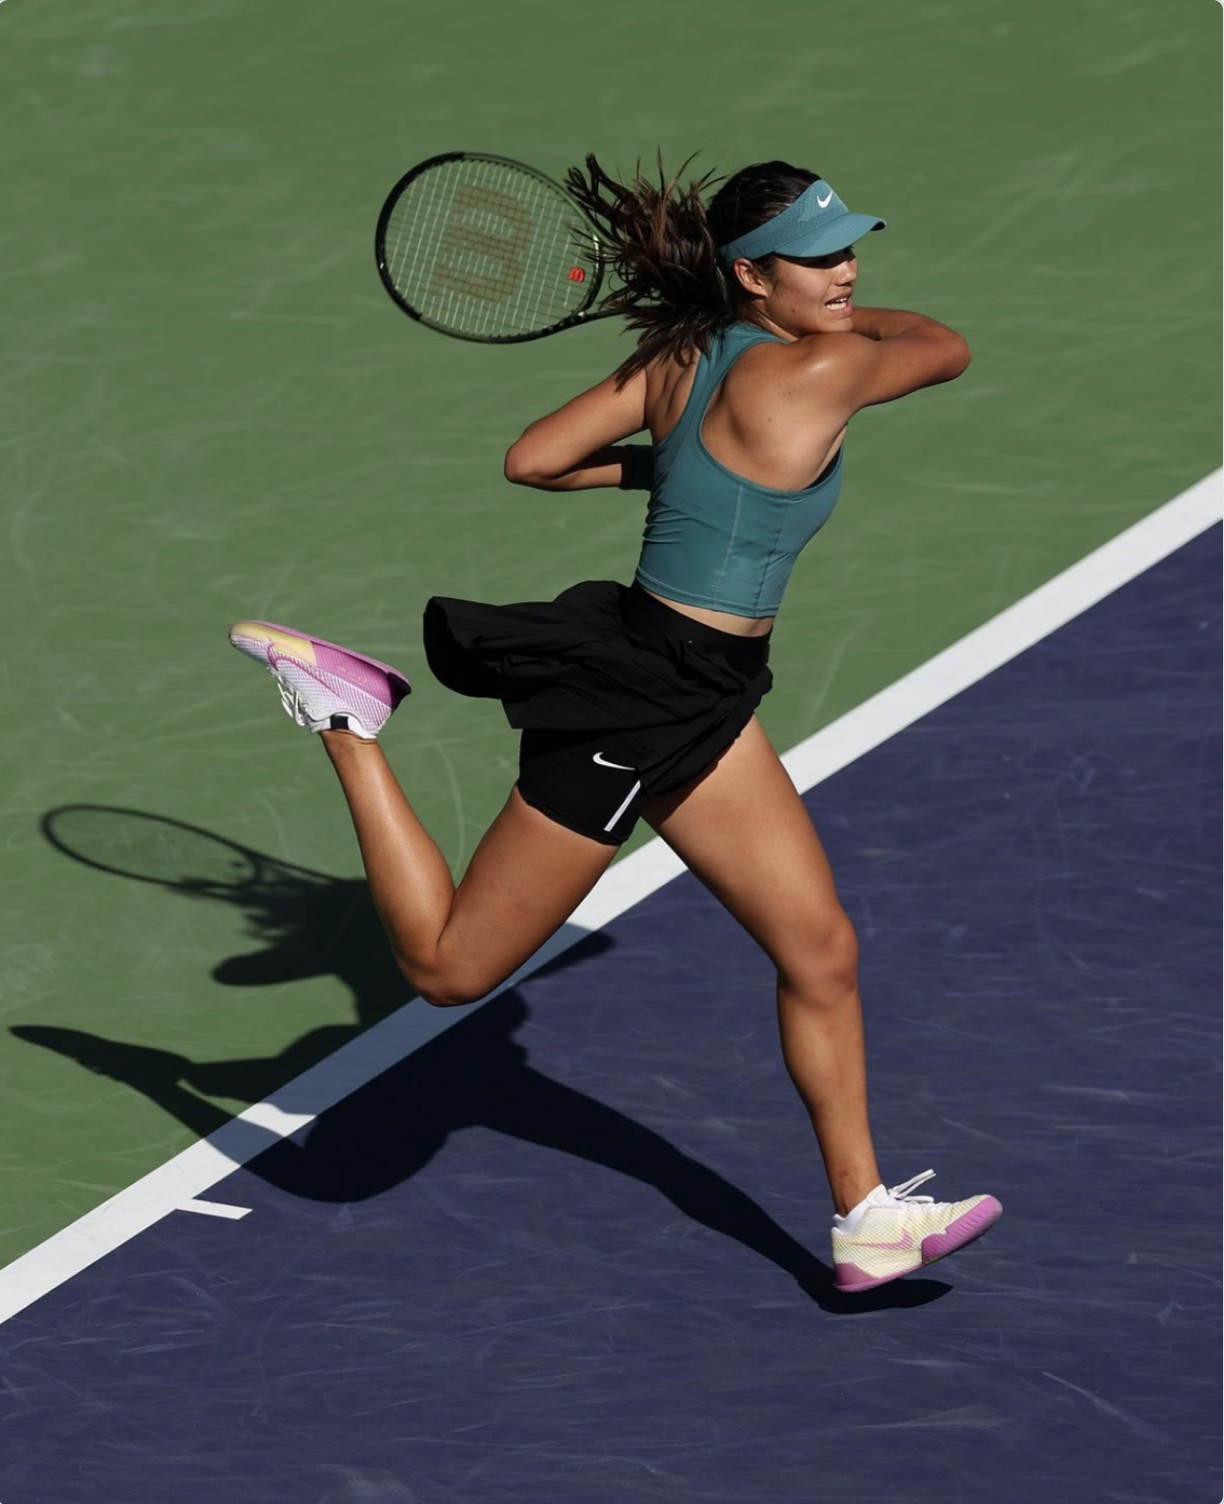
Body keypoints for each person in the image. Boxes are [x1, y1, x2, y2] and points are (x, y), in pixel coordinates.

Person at [229, 155, 1001, 1293]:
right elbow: (943, 342)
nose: (848, 272)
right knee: (449, 972)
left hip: (703, 688)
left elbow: (534, 461)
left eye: (850, 248)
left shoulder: (679, 358)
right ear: (752, 274)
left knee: (820, 949)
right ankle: (347, 720)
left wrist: (676, 459)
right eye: (820, 255)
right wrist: (797, 341)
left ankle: (866, 1216)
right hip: (643, 702)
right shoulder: (826, 369)